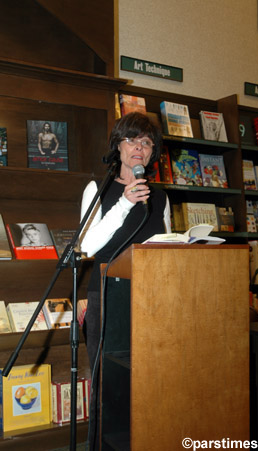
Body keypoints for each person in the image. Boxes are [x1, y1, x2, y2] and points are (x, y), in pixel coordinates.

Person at [79, 112, 171, 450]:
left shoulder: (160, 197)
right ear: (118, 147)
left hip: (151, 298)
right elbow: (88, 246)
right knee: (108, 384)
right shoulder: (98, 189)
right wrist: (124, 202)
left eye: (147, 143)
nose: (139, 148)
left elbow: (165, 246)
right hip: (107, 296)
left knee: (148, 380)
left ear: (151, 154)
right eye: (132, 140)